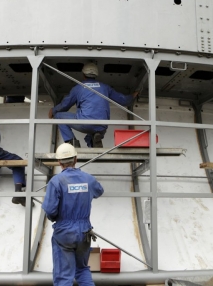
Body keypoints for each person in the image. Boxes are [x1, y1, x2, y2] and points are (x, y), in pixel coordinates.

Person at [42, 143, 104, 286]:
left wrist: (57, 219)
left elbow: (50, 211)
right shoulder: (88, 179)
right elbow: (99, 191)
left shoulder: (56, 181)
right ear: (75, 159)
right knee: (82, 270)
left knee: (64, 276)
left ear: (59, 162)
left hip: (64, 231)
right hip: (84, 231)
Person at [49, 63, 138, 148]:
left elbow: (65, 105)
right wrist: (133, 95)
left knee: (58, 116)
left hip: (85, 124)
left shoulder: (78, 88)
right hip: (102, 126)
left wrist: (53, 111)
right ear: (96, 75)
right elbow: (123, 100)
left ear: (83, 75)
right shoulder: (105, 87)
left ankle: (72, 144)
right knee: (92, 134)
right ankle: (94, 141)